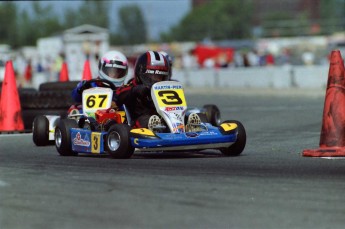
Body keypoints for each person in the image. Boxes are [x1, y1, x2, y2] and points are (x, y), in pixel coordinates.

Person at [115, 51, 170, 129]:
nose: (156, 79)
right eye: (152, 75)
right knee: (146, 120)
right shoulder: (131, 87)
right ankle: (155, 128)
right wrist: (135, 91)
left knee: (187, 115)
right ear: (141, 72)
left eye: (159, 76)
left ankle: (187, 126)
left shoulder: (165, 89)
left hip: (164, 118)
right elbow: (117, 97)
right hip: (136, 124)